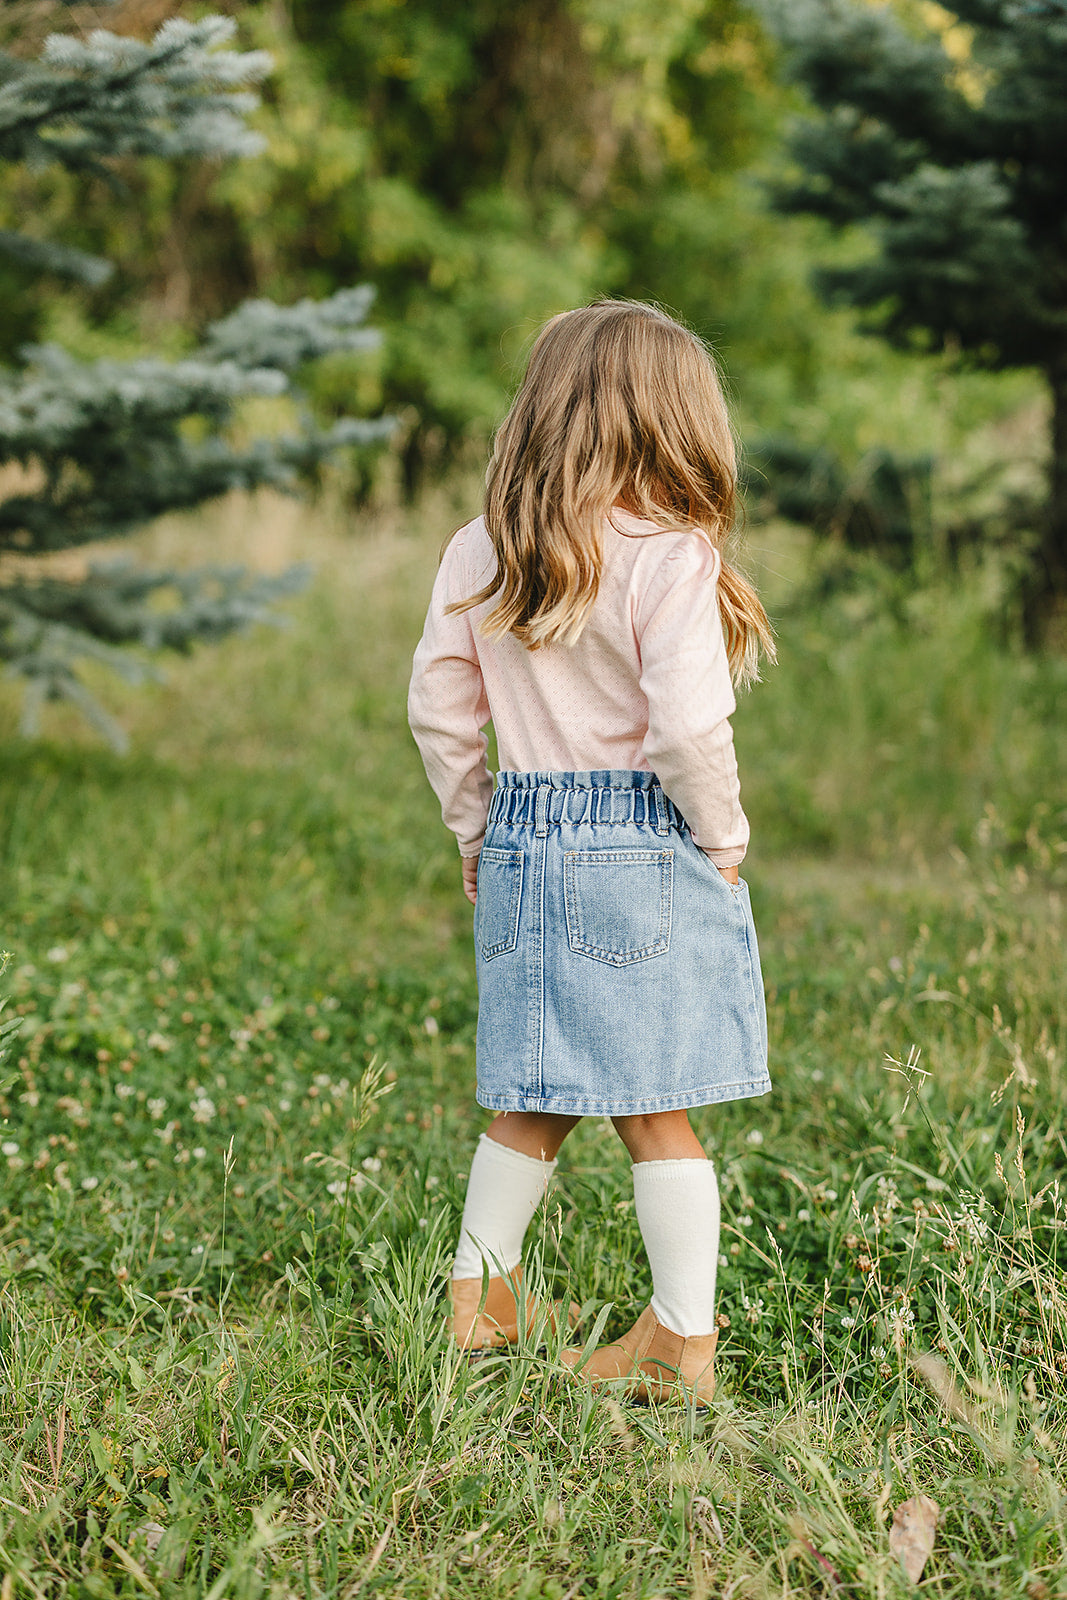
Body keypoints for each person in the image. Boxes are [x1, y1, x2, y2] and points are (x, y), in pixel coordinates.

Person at [407, 300, 775, 1405]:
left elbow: (437, 709)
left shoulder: (483, 546)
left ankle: (481, 1296)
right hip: (635, 846)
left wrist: (476, 828)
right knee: (654, 1099)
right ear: (673, 420)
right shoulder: (670, 554)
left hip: (523, 826)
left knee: (535, 1080)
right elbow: (683, 729)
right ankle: (679, 1338)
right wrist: (721, 831)